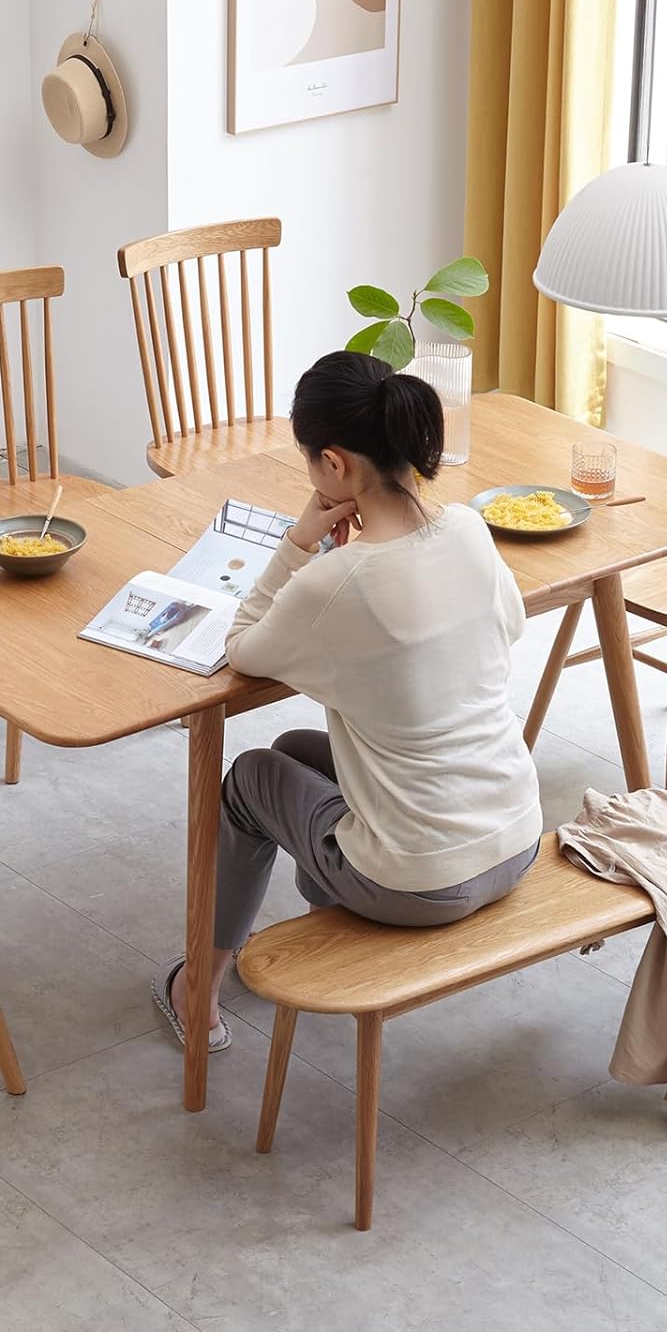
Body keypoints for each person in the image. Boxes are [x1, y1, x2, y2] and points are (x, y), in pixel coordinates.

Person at [152, 350, 543, 1051]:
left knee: (248, 780)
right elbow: (505, 627)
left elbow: (242, 647)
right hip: (513, 839)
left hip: (419, 884)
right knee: (296, 752)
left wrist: (300, 541)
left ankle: (198, 994)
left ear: (334, 465)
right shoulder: (468, 530)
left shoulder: (337, 578)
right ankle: (331, 910)